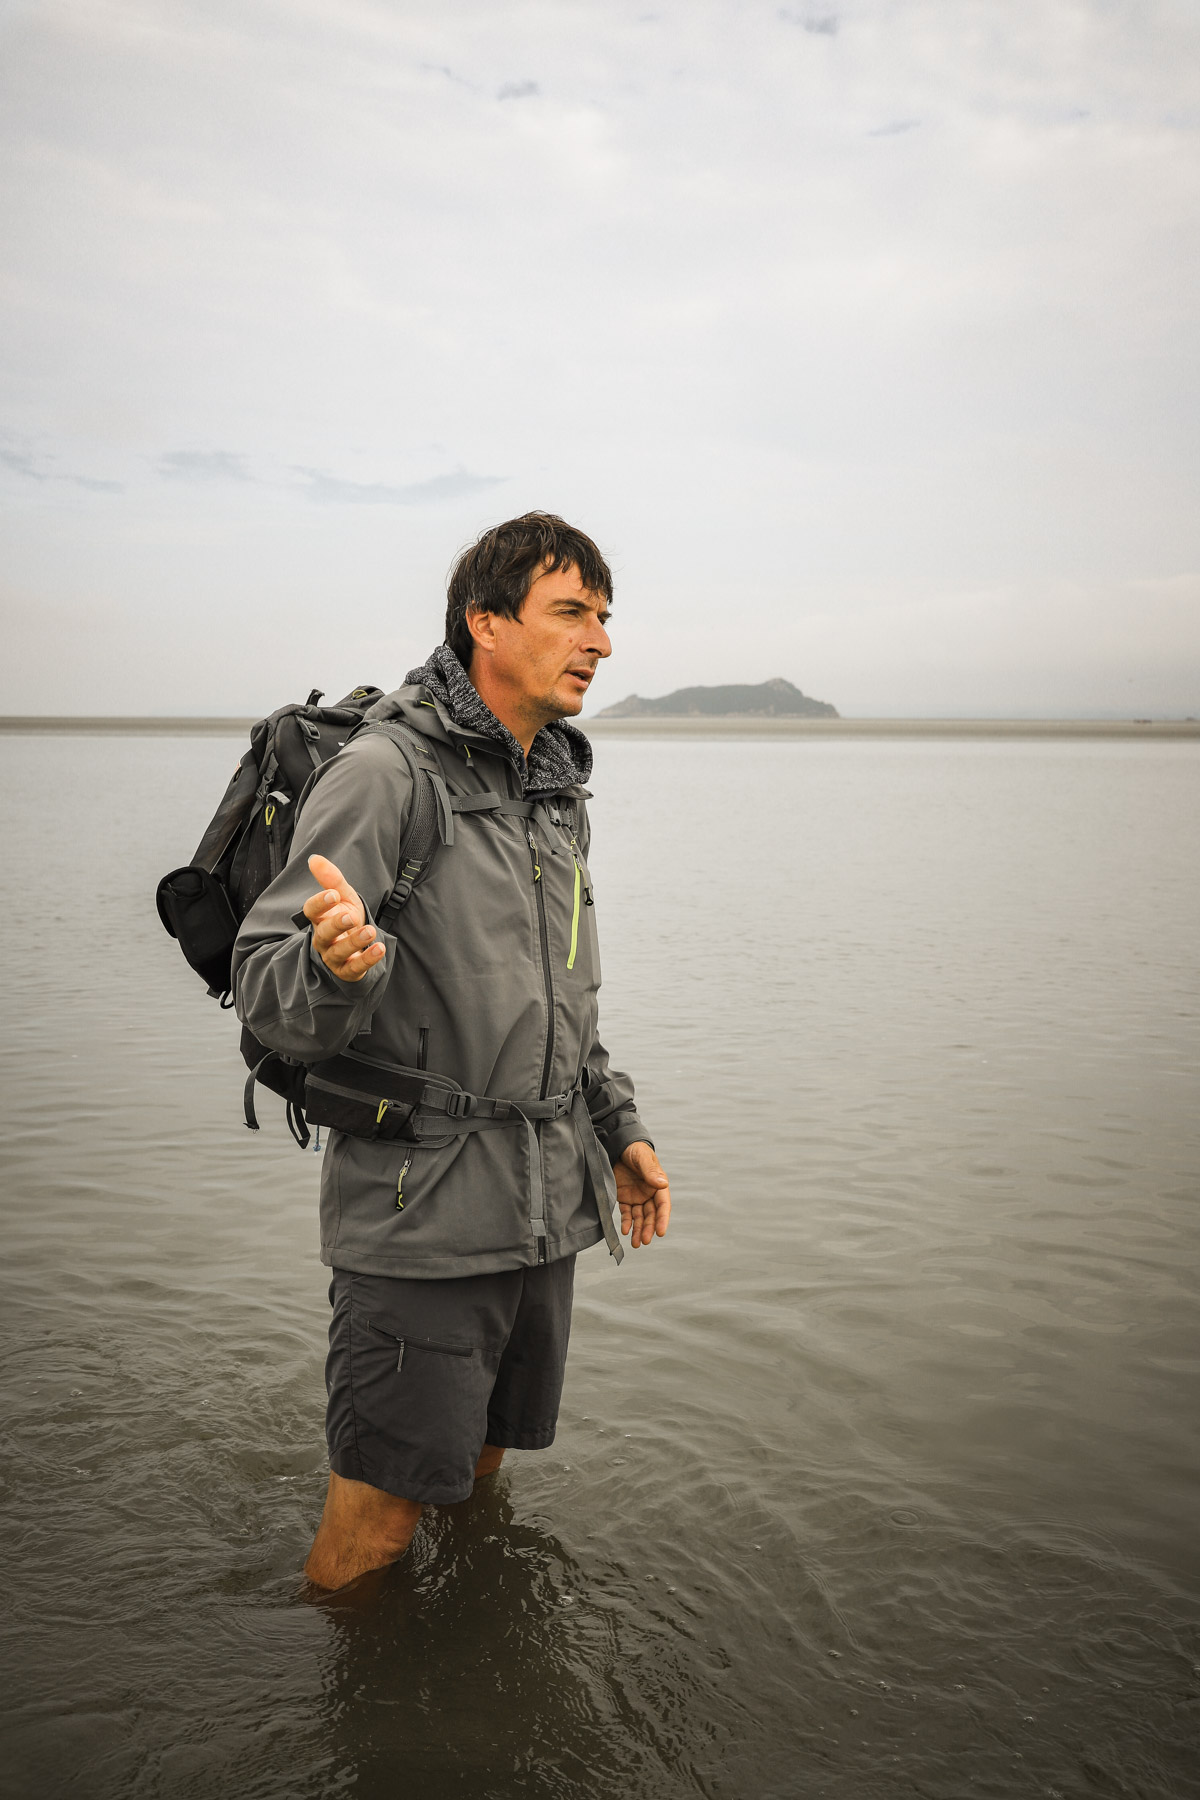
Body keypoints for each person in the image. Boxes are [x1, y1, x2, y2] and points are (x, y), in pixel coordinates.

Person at [232, 512, 671, 1591]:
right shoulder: (388, 772)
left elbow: (562, 1001)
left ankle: (465, 1696)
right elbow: (265, 991)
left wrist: (619, 1131)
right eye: (571, 613)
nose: (601, 642)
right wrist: (334, 966)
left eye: (605, 618)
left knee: (478, 1479)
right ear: (484, 621)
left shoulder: (553, 789)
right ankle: (361, 1725)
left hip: (544, 1209)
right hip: (417, 1214)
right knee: (377, 1526)